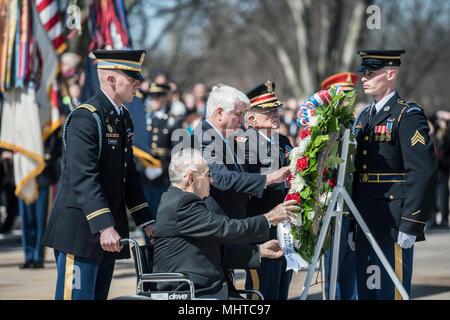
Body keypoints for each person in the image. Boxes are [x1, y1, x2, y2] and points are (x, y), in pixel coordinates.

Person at [41, 49, 154, 300]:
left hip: (106, 233)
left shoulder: (122, 117)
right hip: (81, 231)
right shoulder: (86, 117)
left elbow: (128, 176)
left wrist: (147, 221)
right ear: (112, 79)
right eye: (132, 78)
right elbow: (83, 177)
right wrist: (104, 226)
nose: (138, 83)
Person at [152, 148, 298, 299]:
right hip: (189, 290)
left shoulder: (180, 200)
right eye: (208, 174)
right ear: (191, 177)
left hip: (202, 288)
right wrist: (270, 218)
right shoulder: (182, 203)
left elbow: (212, 252)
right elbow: (227, 229)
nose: (211, 180)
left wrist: (258, 251)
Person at [352, 50, 438, 300]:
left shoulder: (406, 114)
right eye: (363, 73)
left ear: (390, 74)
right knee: (368, 292)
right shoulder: (363, 118)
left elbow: (423, 172)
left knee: (392, 293)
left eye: (370, 73)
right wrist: (350, 224)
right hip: (364, 218)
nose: (364, 79)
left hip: (393, 219)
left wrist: (411, 222)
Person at [236, 81, 294, 300]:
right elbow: (245, 183)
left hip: (285, 225)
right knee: (261, 290)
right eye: (268, 111)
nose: (275, 115)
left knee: (282, 286)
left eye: (276, 110)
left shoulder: (283, 141)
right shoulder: (242, 143)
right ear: (252, 119)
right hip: (261, 224)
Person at [319, 72, 359, 300]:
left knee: (350, 275)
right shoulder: (324, 129)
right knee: (331, 278)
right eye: (343, 94)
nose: (348, 100)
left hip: (354, 210)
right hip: (331, 212)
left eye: (350, 94)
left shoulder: (357, 126)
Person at [139, 82, 182, 228]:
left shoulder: (173, 121)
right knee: (145, 216)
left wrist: (163, 167)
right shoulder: (144, 118)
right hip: (143, 173)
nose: (154, 100)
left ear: (165, 98)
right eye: (152, 97)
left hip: (163, 175)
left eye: (157, 97)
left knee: (161, 215)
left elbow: (177, 151)